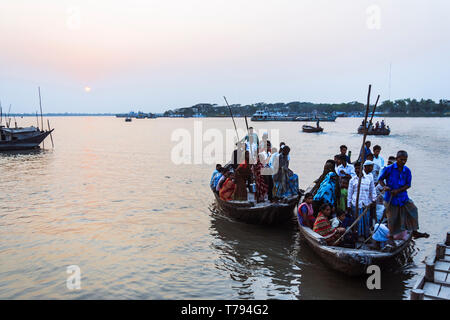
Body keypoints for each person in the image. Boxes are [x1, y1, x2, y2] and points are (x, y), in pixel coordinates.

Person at [378, 150, 429, 239]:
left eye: (405, 160)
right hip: (390, 198)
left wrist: (398, 190)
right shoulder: (389, 169)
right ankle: (391, 236)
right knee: (392, 219)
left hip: (402, 197)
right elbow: (380, 179)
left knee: (413, 210)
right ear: (397, 159)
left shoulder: (407, 170)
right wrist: (385, 186)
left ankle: (414, 231)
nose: (403, 162)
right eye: (401, 160)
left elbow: (408, 185)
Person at [347, 162, 377, 238]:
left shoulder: (368, 179)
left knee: (366, 221)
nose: (357, 170)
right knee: (356, 221)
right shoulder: (352, 180)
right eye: (356, 168)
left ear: (362, 168)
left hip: (366, 203)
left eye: (358, 168)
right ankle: (358, 236)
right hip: (356, 204)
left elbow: (372, 190)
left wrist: (374, 199)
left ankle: (366, 236)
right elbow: (349, 194)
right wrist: (349, 205)